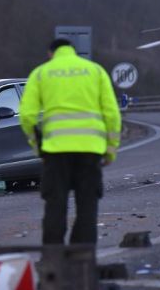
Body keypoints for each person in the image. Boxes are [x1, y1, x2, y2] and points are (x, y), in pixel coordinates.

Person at [19, 38, 121, 245]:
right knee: (87, 207)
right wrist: (110, 150)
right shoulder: (95, 71)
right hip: (90, 150)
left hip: (56, 152)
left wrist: (38, 147)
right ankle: (81, 258)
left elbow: (27, 116)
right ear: (74, 52)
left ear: (51, 53)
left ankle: (54, 259)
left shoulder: (41, 73)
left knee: (55, 205)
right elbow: (112, 114)